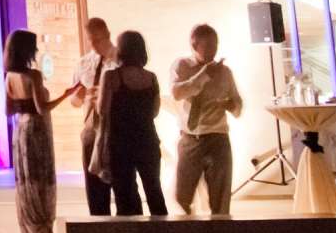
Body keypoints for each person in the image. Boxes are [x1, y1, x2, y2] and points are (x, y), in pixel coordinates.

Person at [4, 30, 67, 233]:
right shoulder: (34, 76)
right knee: (42, 184)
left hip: (21, 130)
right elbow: (43, 108)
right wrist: (66, 95)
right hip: (37, 132)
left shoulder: (10, 76)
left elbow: (9, 110)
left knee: (28, 185)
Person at [168, 24, 243, 216]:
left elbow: (237, 104)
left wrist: (230, 105)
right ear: (195, 45)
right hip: (191, 138)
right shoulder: (182, 66)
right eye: (208, 45)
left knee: (220, 199)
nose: (213, 50)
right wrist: (203, 75)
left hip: (218, 137)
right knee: (181, 197)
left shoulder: (225, 72)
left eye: (215, 45)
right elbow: (177, 93)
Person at [92, 28, 166, 215]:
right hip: (147, 140)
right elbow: (155, 111)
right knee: (154, 191)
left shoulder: (111, 76)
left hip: (120, 143)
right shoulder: (151, 78)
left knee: (125, 195)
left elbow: (102, 110)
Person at [71, 17, 118, 214]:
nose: (95, 45)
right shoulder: (83, 63)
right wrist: (79, 96)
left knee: (121, 183)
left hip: (115, 128)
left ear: (108, 35)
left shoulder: (120, 60)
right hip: (91, 128)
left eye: (99, 39)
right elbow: (74, 102)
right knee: (94, 187)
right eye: (91, 40)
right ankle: (98, 226)